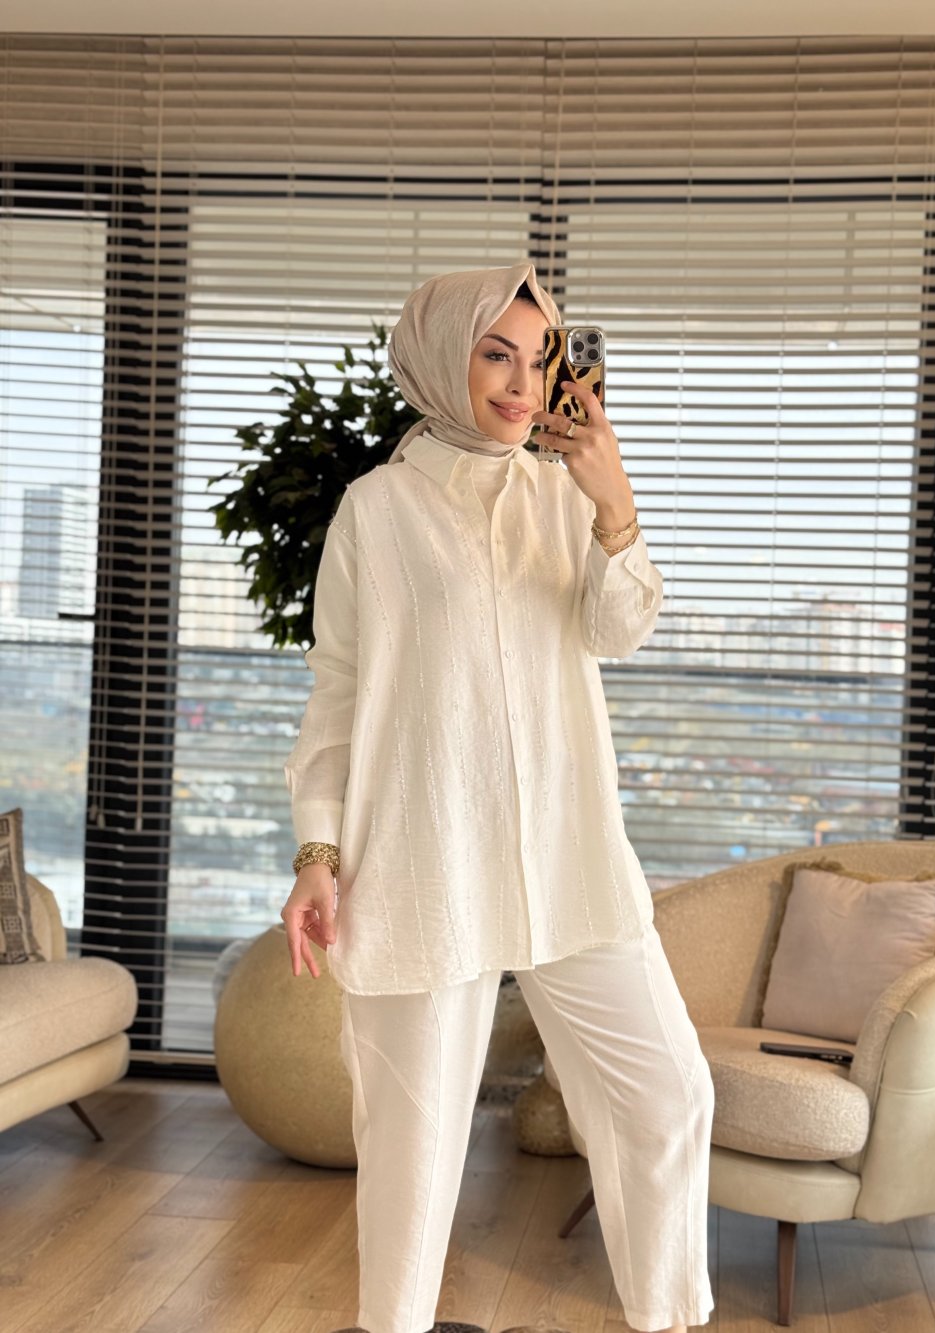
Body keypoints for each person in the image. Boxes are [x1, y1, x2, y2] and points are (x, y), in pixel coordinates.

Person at [279, 261, 715, 1333]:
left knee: (669, 1091)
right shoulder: (375, 511)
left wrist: (613, 500)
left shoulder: (564, 496)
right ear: (443, 359)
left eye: (539, 359)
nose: (524, 385)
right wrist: (317, 853)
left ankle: (666, 1319)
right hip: (425, 860)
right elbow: (338, 690)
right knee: (414, 1145)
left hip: (570, 858)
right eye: (496, 355)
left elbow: (617, 630)